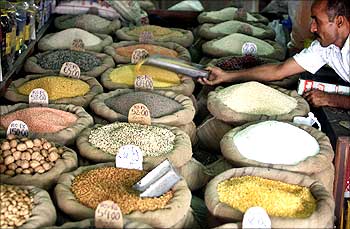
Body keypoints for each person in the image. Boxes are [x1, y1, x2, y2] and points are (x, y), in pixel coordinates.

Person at [198, 0, 350, 109]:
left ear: (340, 22)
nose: (312, 28)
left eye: (317, 21)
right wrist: (226, 75)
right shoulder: (325, 47)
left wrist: (330, 99)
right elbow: (279, 71)